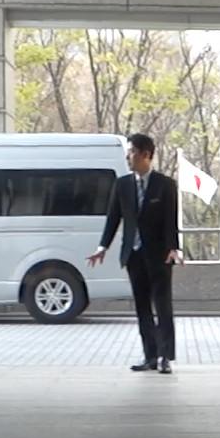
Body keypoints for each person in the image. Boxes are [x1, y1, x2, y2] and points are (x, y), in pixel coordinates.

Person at [89, 133, 183, 373]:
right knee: (142, 308)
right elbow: (113, 218)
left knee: (162, 306)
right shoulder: (122, 185)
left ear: (146, 154)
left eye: (131, 152)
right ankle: (150, 356)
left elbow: (171, 220)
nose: (127, 157)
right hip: (133, 254)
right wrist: (102, 247)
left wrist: (173, 248)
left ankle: (165, 357)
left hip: (160, 256)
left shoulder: (165, 184)